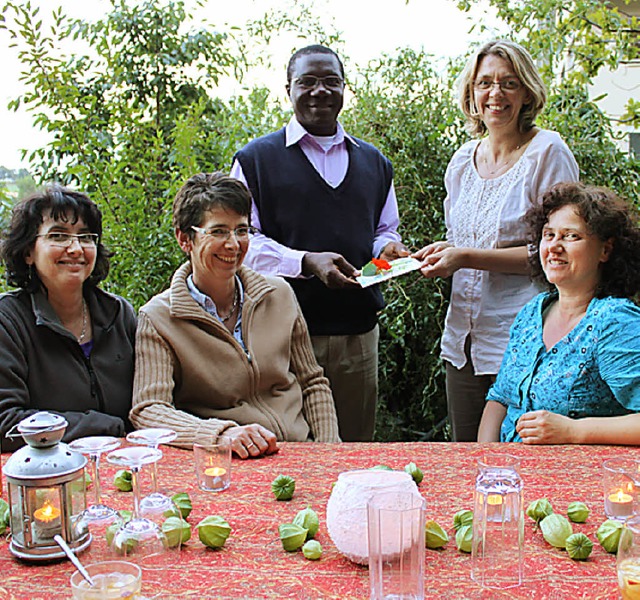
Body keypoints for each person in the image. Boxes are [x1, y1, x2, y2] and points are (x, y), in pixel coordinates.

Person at [231, 44, 408, 442]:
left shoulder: (374, 162)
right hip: (283, 334)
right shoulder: (256, 160)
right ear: (288, 89)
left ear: (345, 88)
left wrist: (388, 252)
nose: (320, 91)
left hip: (357, 336)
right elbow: (242, 241)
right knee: (287, 446)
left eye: (331, 81)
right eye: (307, 81)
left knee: (353, 446)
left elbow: (385, 230)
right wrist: (305, 261)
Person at [413, 39, 579, 442]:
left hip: (525, 339)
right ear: (472, 92)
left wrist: (465, 257)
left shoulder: (547, 152)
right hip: (464, 341)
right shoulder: (461, 162)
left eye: (508, 83)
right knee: (465, 461)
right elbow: (460, 240)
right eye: (485, 83)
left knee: (522, 463)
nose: (495, 93)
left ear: (526, 92)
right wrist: (441, 254)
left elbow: (562, 251)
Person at [130, 172, 340, 458]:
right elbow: (149, 411)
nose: (233, 244)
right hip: (227, 462)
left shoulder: (279, 294)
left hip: (299, 453)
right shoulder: (159, 318)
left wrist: (329, 450)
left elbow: (312, 382)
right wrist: (220, 434)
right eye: (218, 231)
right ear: (184, 239)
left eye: (241, 230)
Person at [477, 182, 640, 444]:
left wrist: (575, 431)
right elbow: (499, 400)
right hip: (510, 476)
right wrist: (486, 463)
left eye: (571, 236)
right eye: (548, 234)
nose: (554, 246)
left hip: (579, 480)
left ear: (605, 250)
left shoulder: (615, 322)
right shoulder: (533, 311)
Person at [0, 185, 136, 451]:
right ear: (29, 251)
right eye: (59, 236)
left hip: (125, 472)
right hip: (47, 477)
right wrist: (104, 426)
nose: (75, 248)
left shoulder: (119, 314)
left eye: (85, 237)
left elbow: (149, 402)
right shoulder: (9, 322)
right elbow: (5, 423)